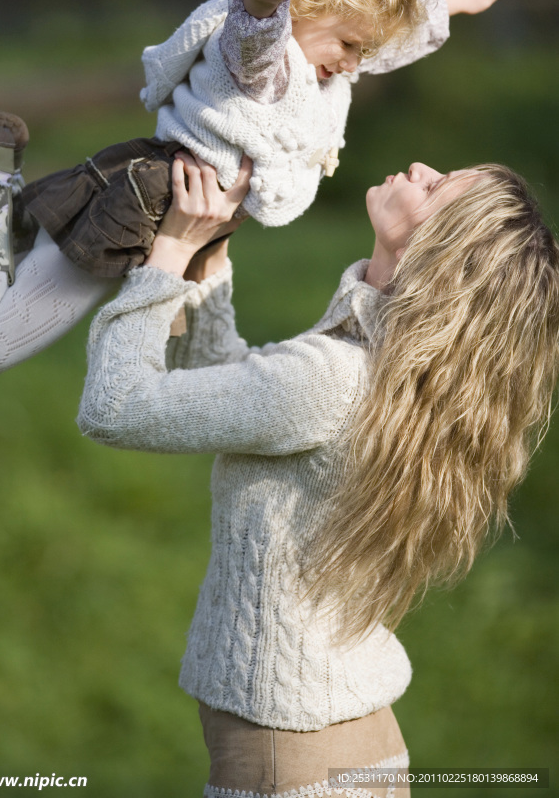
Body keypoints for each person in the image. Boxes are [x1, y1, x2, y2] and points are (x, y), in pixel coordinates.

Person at [75, 151, 559, 798]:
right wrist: (207, 255)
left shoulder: (334, 376)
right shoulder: (381, 365)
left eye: (436, 185)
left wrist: (166, 256)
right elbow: (245, 395)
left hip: (290, 761)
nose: (417, 166)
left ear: (438, 247)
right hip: (341, 736)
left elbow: (115, 408)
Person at [0, 0, 518, 373]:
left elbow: (385, 45)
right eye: (348, 45)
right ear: (300, 2)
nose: (355, 63)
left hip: (178, 210)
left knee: (21, 250)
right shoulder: (266, 58)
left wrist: (457, 2)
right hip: (152, 205)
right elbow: (253, 45)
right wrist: (264, 9)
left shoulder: (322, 61)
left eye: (363, 49)